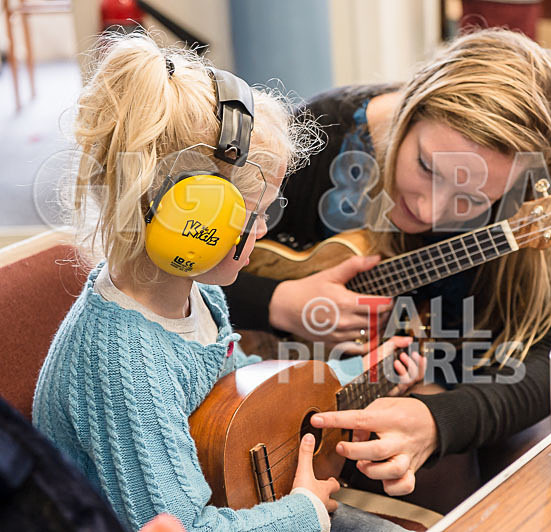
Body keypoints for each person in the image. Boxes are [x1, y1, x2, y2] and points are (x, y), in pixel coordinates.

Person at [31, 33, 421, 532]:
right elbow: (185, 527)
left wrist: (355, 375)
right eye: (256, 216)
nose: (264, 230)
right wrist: (301, 510)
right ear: (192, 223)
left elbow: (237, 393)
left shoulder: (193, 292)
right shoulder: (125, 367)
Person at [223, 28, 551, 503]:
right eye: (426, 167)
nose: (431, 210)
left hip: (455, 388)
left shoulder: (542, 203)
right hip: (286, 386)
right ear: (412, 109)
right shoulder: (323, 134)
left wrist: (440, 421)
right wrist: (279, 302)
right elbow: (176, 272)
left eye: (472, 200)